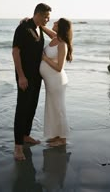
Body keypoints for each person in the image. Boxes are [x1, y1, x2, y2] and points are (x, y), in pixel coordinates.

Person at [12, 3, 52, 160]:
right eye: (46, 16)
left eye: (48, 17)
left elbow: (55, 37)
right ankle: (17, 147)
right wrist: (21, 76)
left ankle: (26, 135)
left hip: (37, 76)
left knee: (32, 106)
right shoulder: (23, 28)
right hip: (25, 76)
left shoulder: (39, 28)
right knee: (22, 108)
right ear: (39, 14)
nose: (48, 19)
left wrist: (42, 25)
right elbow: (15, 52)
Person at [40, 18, 73, 147]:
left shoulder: (62, 44)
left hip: (57, 80)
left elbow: (59, 67)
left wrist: (44, 58)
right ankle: (55, 136)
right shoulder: (54, 37)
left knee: (58, 108)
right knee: (52, 107)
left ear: (61, 27)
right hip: (50, 81)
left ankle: (62, 139)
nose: (53, 23)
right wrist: (30, 21)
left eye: (56, 23)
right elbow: (43, 28)